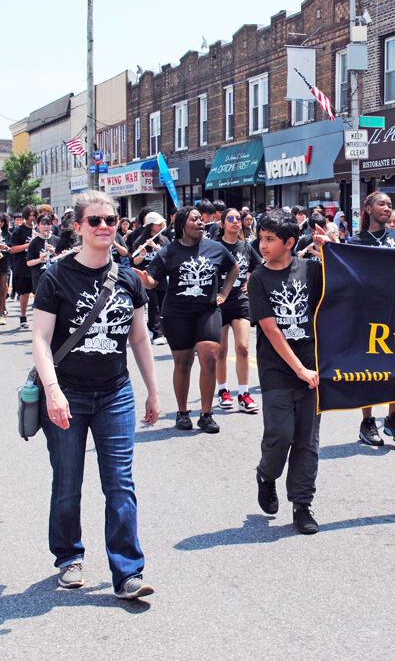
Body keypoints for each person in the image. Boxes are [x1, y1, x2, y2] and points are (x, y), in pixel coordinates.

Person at [32, 189, 161, 599]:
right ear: (78, 228)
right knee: (68, 483)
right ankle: (69, 557)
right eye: (95, 221)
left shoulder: (127, 278)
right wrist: (52, 391)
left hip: (114, 394)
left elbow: (140, 339)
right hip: (67, 392)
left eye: (110, 220)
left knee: (119, 483)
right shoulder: (56, 275)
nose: (104, 227)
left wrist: (153, 392)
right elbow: (40, 338)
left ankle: (127, 573)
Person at [248, 210, 326, 534]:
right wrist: (300, 369)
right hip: (278, 369)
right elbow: (271, 330)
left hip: (315, 365)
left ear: (290, 243)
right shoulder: (257, 279)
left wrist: (330, 251)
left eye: (270, 239)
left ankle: (302, 504)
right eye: (261, 238)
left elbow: (347, 288)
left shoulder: (311, 269)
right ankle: (266, 475)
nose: (262, 245)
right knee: (281, 433)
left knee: (307, 439)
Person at [139, 205, 239, 434]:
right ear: (182, 225)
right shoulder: (169, 251)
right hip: (177, 313)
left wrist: (223, 293)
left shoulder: (215, 248)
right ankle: (183, 413)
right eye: (194, 220)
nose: (200, 223)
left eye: (201, 220)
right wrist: (147, 281)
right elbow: (153, 279)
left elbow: (233, 267)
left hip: (208, 310)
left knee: (210, 355)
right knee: (183, 363)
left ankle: (206, 415)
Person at [348, 191, 395, 445]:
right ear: (368, 209)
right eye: (381, 204)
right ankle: (367, 422)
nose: (387, 208)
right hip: (369, 314)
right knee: (370, 371)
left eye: (390, 205)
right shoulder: (356, 241)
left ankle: (394, 418)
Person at [215, 207, 263, 414]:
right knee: (221, 350)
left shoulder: (246, 247)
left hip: (241, 300)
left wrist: (250, 280)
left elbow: (260, 266)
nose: (235, 221)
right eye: (231, 218)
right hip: (218, 302)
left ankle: (243, 394)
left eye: (238, 218)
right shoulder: (214, 247)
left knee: (243, 347)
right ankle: (223, 390)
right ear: (223, 224)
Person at [128, 211, 168, 345]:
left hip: (161, 277)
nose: (161, 226)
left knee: (163, 304)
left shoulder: (164, 239)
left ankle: (159, 329)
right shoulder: (140, 241)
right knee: (153, 305)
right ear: (151, 226)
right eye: (158, 224)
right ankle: (156, 333)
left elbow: (169, 256)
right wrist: (142, 254)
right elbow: (135, 262)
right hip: (147, 277)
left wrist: (156, 247)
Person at [8, 206, 36, 329]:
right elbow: (13, 249)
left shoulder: (39, 230)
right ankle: (23, 315)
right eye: (29, 215)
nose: (32, 218)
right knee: (24, 292)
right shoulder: (19, 230)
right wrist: (29, 245)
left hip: (37, 265)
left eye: (34, 215)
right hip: (23, 265)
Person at [26, 214, 60, 294]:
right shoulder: (34, 243)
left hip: (55, 276)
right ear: (38, 225)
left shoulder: (57, 240)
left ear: (51, 225)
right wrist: (40, 259)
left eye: (48, 224)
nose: (46, 227)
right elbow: (29, 263)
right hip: (39, 276)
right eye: (43, 224)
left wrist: (54, 253)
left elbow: (64, 259)